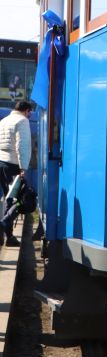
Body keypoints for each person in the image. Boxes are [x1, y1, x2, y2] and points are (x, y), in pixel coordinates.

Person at [0, 99, 34, 247]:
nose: (30, 115)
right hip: (13, 165)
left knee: (9, 199)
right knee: (20, 199)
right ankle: (3, 224)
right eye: (30, 112)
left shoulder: (4, 120)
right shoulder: (22, 121)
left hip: (1, 163)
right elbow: (22, 146)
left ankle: (8, 236)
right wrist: (23, 167)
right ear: (26, 111)